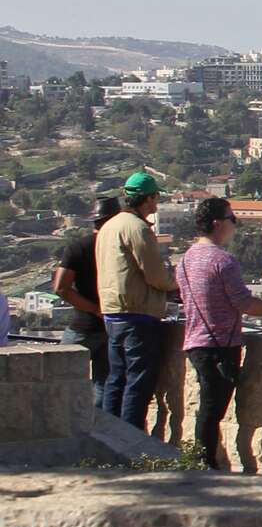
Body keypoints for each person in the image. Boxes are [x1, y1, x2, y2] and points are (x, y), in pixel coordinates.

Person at [174, 197, 262, 469]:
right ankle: (203, 465)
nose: (235, 225)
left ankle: (204, 461)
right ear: (218, 223)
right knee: (211, 410)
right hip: (220, 345)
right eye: (232, 219)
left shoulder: (185, 260)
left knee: (209, 407)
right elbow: (243, 303)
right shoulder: (223, 261)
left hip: (195, 341)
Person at [95, 171, 179, 428]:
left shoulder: (108, 226)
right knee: (137, 382)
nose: (157, 204)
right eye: (156, 197)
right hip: (138, 315)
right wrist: (174, 283)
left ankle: (109, 437)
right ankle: (129, 439)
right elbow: (154, 275)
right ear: (148, 198)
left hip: (112, 313)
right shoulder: (137, 228)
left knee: (116, 379)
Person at [53, 197, 123, 404]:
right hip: (114, 325)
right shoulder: (122, 247)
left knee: (58, 381)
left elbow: (61, 288)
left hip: (83, 326)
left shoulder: (79, 247)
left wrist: (93, 309)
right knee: (106, 386)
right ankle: (99, 422)